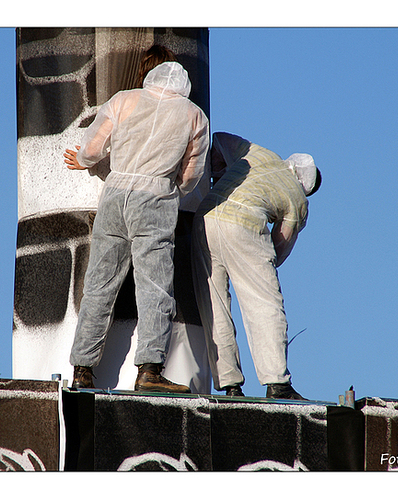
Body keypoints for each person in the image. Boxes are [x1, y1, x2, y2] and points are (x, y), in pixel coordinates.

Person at [64, 46, 209, 393]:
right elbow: (192, 174)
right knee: (155, 287)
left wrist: (83, 160)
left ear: (149, 75)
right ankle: (149, 371)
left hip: (115, 193)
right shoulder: (194, 115)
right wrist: (170, 190)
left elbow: (94, 147)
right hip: (155, 196)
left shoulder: (123, 99)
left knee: (99, 284)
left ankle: (82, 369)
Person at [191, 132, 321, 400]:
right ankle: (277, 383)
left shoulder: (261, 154)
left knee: (214, 305)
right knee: (265, 304)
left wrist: (220, 174)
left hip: (205, 215)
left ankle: (230, 385)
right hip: (244, 223)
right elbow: (279, 247)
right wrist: (256, 267)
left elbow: (219, 139)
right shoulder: (298, 199)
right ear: (305, 186)